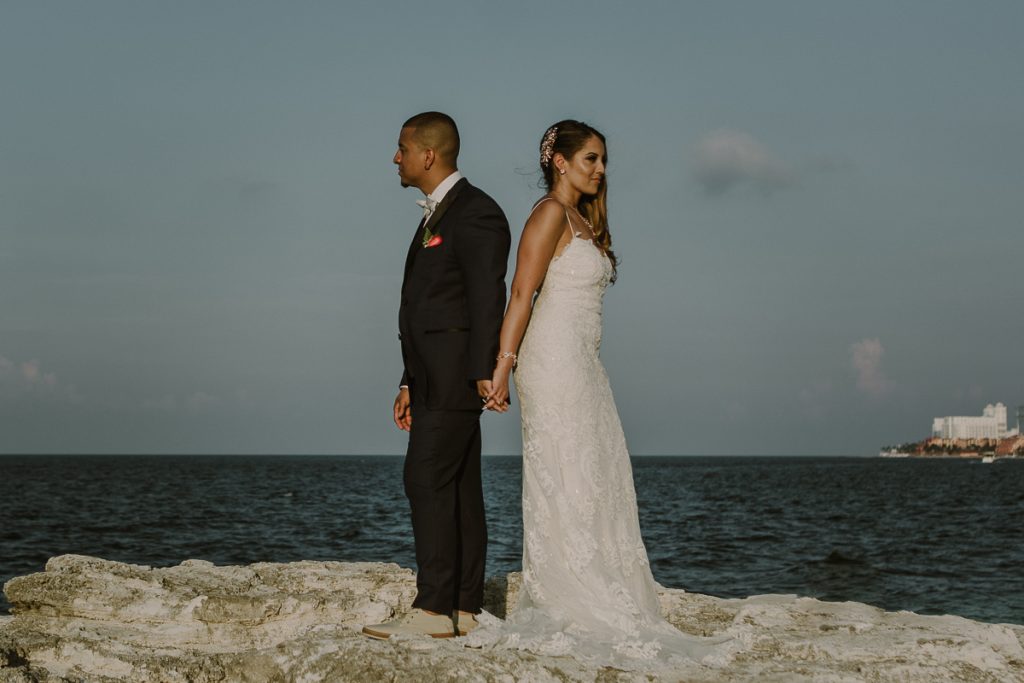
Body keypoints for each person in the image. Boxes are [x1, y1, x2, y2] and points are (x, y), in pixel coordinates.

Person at [470, 120, 728, 668]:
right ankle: (570, 591)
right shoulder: (547, 216)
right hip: (551, 363)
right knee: (567, 469)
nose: (601, 169)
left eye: (603, 159)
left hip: (586, 364)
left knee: (599, 469)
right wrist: (501, 366)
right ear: (559, 162)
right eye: (591, 158)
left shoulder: (585, 221)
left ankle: (603, 583)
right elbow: (521, 293)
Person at [362, 112, 511, 640]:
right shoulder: (437, 215)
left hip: (456, 379)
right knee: (459, 488)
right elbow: (428, 305)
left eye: (401, 148)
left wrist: (484, 373)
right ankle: (465, 607)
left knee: (424, 479)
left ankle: (432, 612)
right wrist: (408, 381)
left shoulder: (477, 213)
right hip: (430, 379)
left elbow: (486, 298)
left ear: (429, 154)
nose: (394, 157)